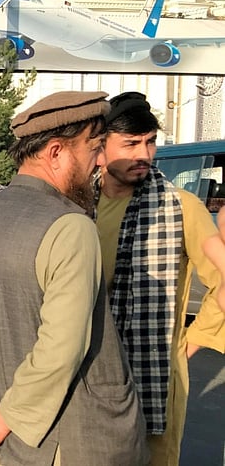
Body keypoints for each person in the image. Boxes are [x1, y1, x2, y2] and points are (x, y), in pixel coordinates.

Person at [0, 91, 148, 465]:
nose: (100, 161)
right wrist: (6, 418)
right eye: (93, 148)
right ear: (56, 152)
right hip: (69, 442)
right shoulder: (70, 226)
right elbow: (61, 347)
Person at [94, 91, 225, 465]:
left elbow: (221, 278)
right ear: (100, 151)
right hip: (89, 370)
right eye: (131, 144)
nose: (144, 155)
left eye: (150, 142)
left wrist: (190, 343)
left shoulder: (180, 206)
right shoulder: (79, 206)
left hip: (155, 375)